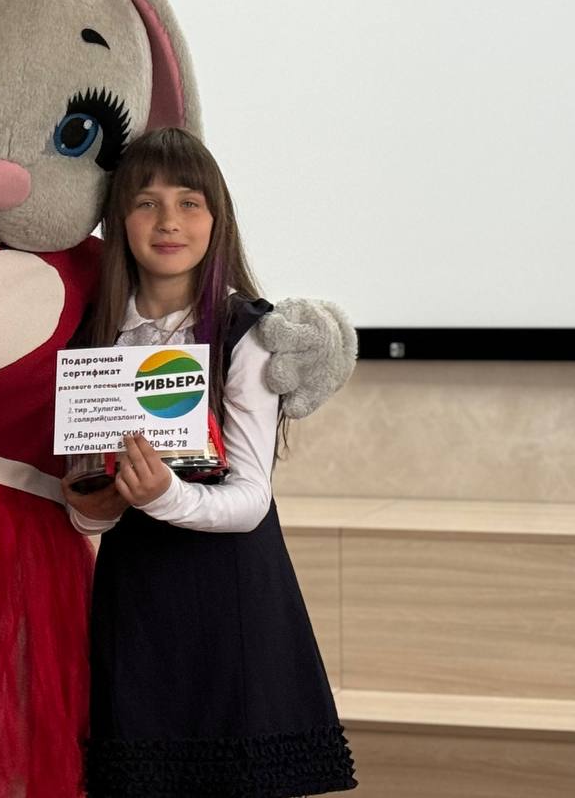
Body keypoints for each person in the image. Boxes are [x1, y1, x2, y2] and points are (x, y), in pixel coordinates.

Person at [64, 127, 357, 797]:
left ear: (217, 218)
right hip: (135, 600)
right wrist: (94, 507)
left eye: (189, 202)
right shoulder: (95, 338)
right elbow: (89, 505)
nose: (169, 221)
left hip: (232, 596)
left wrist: (164, 496)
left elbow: (251, 498)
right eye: (146, 202)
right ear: (119, 220)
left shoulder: (246, 332)